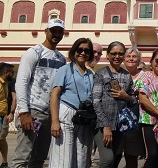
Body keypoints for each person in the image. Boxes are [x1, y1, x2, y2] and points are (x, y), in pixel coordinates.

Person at [12, 18, 67, 168]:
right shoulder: (34, 52)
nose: (56, 34)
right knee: (22, 158)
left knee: (39, 159)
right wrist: (24, 112)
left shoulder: (61, 59)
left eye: (59, 31)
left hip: (50, 114)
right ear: (46, 31)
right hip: (33, 112)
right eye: (53, 31)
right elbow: (21, 82)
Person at [49, 38, 95, 168]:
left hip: (84, 118)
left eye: (87, 51)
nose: (83, 53)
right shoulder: (65, 69)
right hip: (66, 113)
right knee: (63, 158)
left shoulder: (90, 74)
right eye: (79, 50)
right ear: (74, 52)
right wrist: (54, 121)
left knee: (82, 158)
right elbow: (54, 95)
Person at [92, 41, 138, 168]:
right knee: (107, 159)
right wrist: (105, 125)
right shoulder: (100, 74)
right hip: (102, 124)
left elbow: (134, 100)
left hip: (119, 125)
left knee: (113, 160)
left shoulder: (127, 75)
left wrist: (126, 97)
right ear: (108, 55)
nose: (117, 56)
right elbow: (96, 101)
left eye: (120, 54)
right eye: (114, 53)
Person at [121, 46, 146, 166]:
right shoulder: (118, 75)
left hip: (138, 120)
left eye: (134, 56)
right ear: (124, 59)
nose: (131, 59)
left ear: (139, 60)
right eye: (128, 56)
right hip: (120, 119)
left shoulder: (145, 77)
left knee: (132, 156)